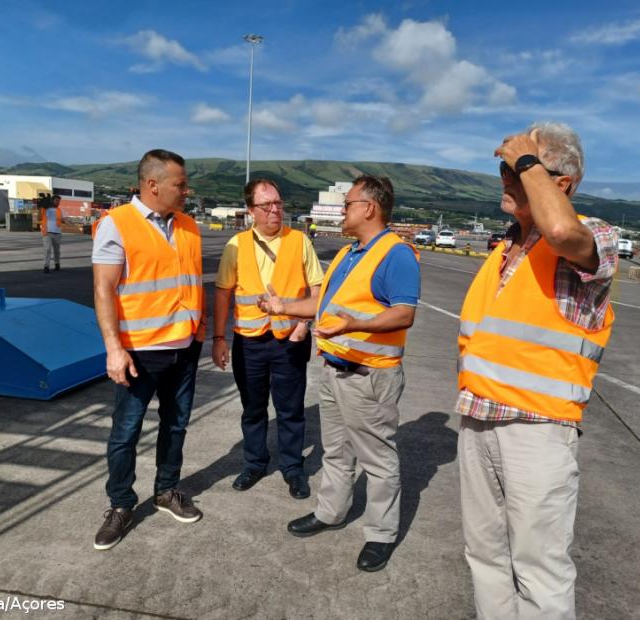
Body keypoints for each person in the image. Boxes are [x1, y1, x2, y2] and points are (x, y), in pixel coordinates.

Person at [455, 122, 617, 618]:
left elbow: (562, 232)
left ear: (560, 183)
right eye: (505, 168)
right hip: (477, 417)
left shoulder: (594, 236)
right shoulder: (504, 249)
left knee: (539, 568)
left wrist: (527, 160)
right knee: (484, 555)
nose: (506, 178)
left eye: (518, 169)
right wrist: (527, 164)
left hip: (537, 428)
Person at [259, 175, 420, 573]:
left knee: (378, 459)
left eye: (347, 204)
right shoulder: (351, 253)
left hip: (369, 376)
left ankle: (381, 533)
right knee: (336, 451)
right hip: (335, 370)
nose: (342, 211)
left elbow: (404, 313)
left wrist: (354, 325)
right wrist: (282, 307)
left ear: (369, 208)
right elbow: (323, 307)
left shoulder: (395, 255)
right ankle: (331, 511)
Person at [90, 149, 206, 551]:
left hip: (184, 348)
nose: (187, 191)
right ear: (153, 185)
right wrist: (113, 348)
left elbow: (191, 280)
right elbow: (104, 289)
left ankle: (166, 490)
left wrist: (201, 330)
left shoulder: (188, 225)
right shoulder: (117, 224)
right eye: (180, 184)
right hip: (139, 351)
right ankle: (121, 504)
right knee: (126, 432)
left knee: (176, 425)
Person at [211, 179, 324, 499]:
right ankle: (255, 463)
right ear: (251, 211)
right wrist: (219, 338)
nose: (275, 210)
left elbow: (317, 289)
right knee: (253, 407)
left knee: (290, 408)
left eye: (278, 203)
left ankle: (292, 467)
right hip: (249, 342)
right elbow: (223, 293)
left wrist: (304, 324)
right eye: (266, 205)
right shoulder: (236, 245)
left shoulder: (299, 241)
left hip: (291, 338)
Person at [40, 194, 63, 273]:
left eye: (59, 201)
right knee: (47, 249)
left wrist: (67, 221)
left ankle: (57, 264)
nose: (58, 202)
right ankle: (46, 266)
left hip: (57, 233)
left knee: (57, 250)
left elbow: (61, 219)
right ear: (52, 201)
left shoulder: (59, 210)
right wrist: (40, 207)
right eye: (56, 200)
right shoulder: (45, 209)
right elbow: (39, 217)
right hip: (47, 233)